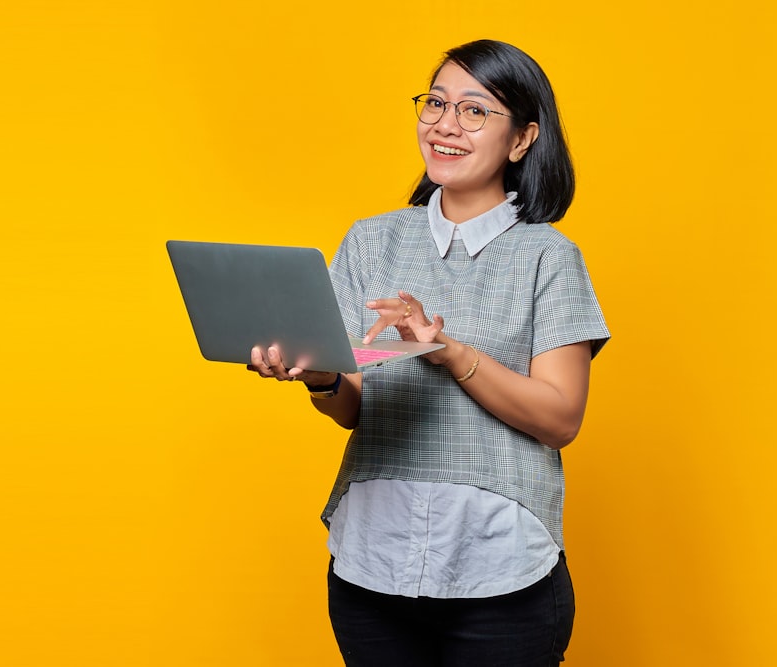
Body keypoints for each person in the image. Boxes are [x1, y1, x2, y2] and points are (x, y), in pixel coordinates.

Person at [249, 39, 609, 667]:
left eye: (475, 111)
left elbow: (561, 418)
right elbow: (353, 407)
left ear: (521, 140)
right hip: (373, 559)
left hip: (500, 567)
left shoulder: (548, 257)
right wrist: (322, 376)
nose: (446, 124)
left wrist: (449, 351)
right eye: (436, 103)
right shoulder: (370, 242)